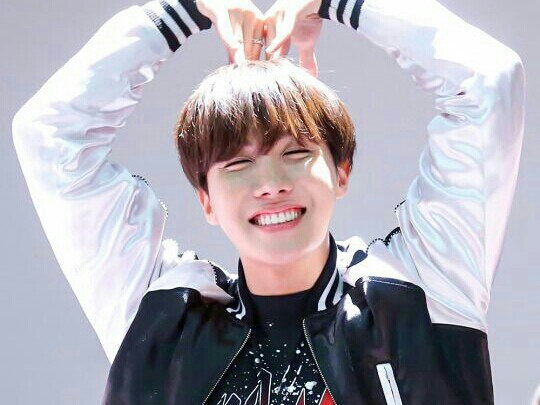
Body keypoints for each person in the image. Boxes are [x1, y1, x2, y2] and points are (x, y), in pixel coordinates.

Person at [11, 0, 525, 403]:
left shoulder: (420, 291)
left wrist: (340, 1)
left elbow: (487, 82)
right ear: (206, 199)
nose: (270, 183)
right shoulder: (159, 316)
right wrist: (185, 8)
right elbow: (48, 136)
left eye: (295, 153)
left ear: (341, 171)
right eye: (238, 164)